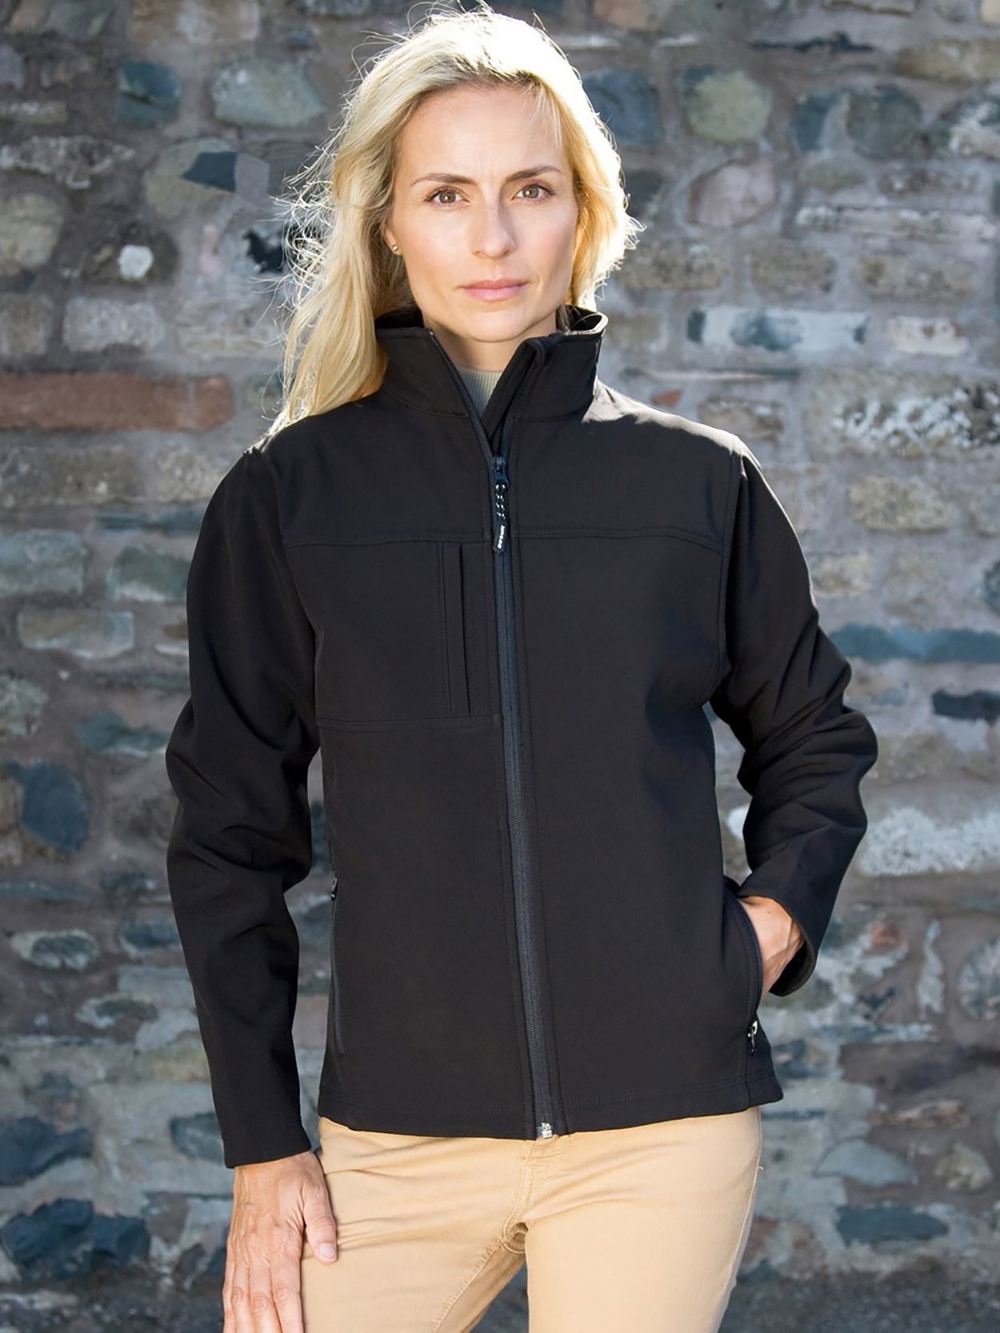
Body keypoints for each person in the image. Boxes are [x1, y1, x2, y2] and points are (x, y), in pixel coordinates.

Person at [163, 4, 879, 1330]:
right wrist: (264, 1148)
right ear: (388, 221)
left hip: (660, 1126)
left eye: (530, 190)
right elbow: (227, 837)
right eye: (447, 194)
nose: (491, 238)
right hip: (396, 1136)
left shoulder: (697, 486)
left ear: (583, 212)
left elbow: (814, 736)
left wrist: (768, 928)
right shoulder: (289, 498)